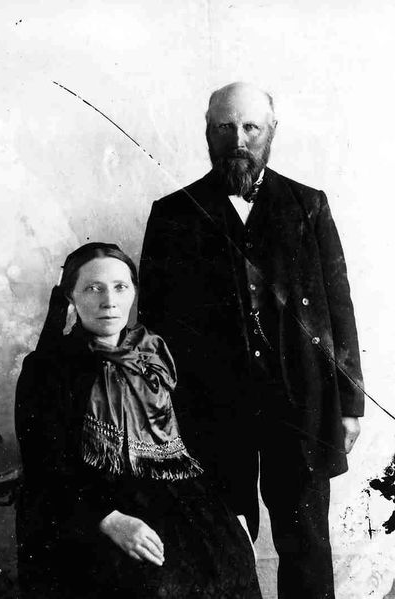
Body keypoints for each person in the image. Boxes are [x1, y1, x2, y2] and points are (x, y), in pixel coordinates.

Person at [138, 82, 365, 599]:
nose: (238, 139)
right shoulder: (172, 214)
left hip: (300, 403)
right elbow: (154, 328)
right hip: (211, 411)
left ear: (271, 132)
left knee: (307, 543)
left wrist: (350, 404)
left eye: (250, 127)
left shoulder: (308, 205)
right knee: (221, 544)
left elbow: (339, 307)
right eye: (225, 127)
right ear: (208, 132)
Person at [15, 242, 261, 599]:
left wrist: (232, 517)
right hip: (86, 504)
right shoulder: (48, 368)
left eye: (120, 287)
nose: (109, 301)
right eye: (93, 288)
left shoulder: (156, 354)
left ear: (133, 292)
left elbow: (201, 443)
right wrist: (110, 519)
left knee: (230, 565)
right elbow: (45, 465)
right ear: (71, 297)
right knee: (149, 584)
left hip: (177, 494)